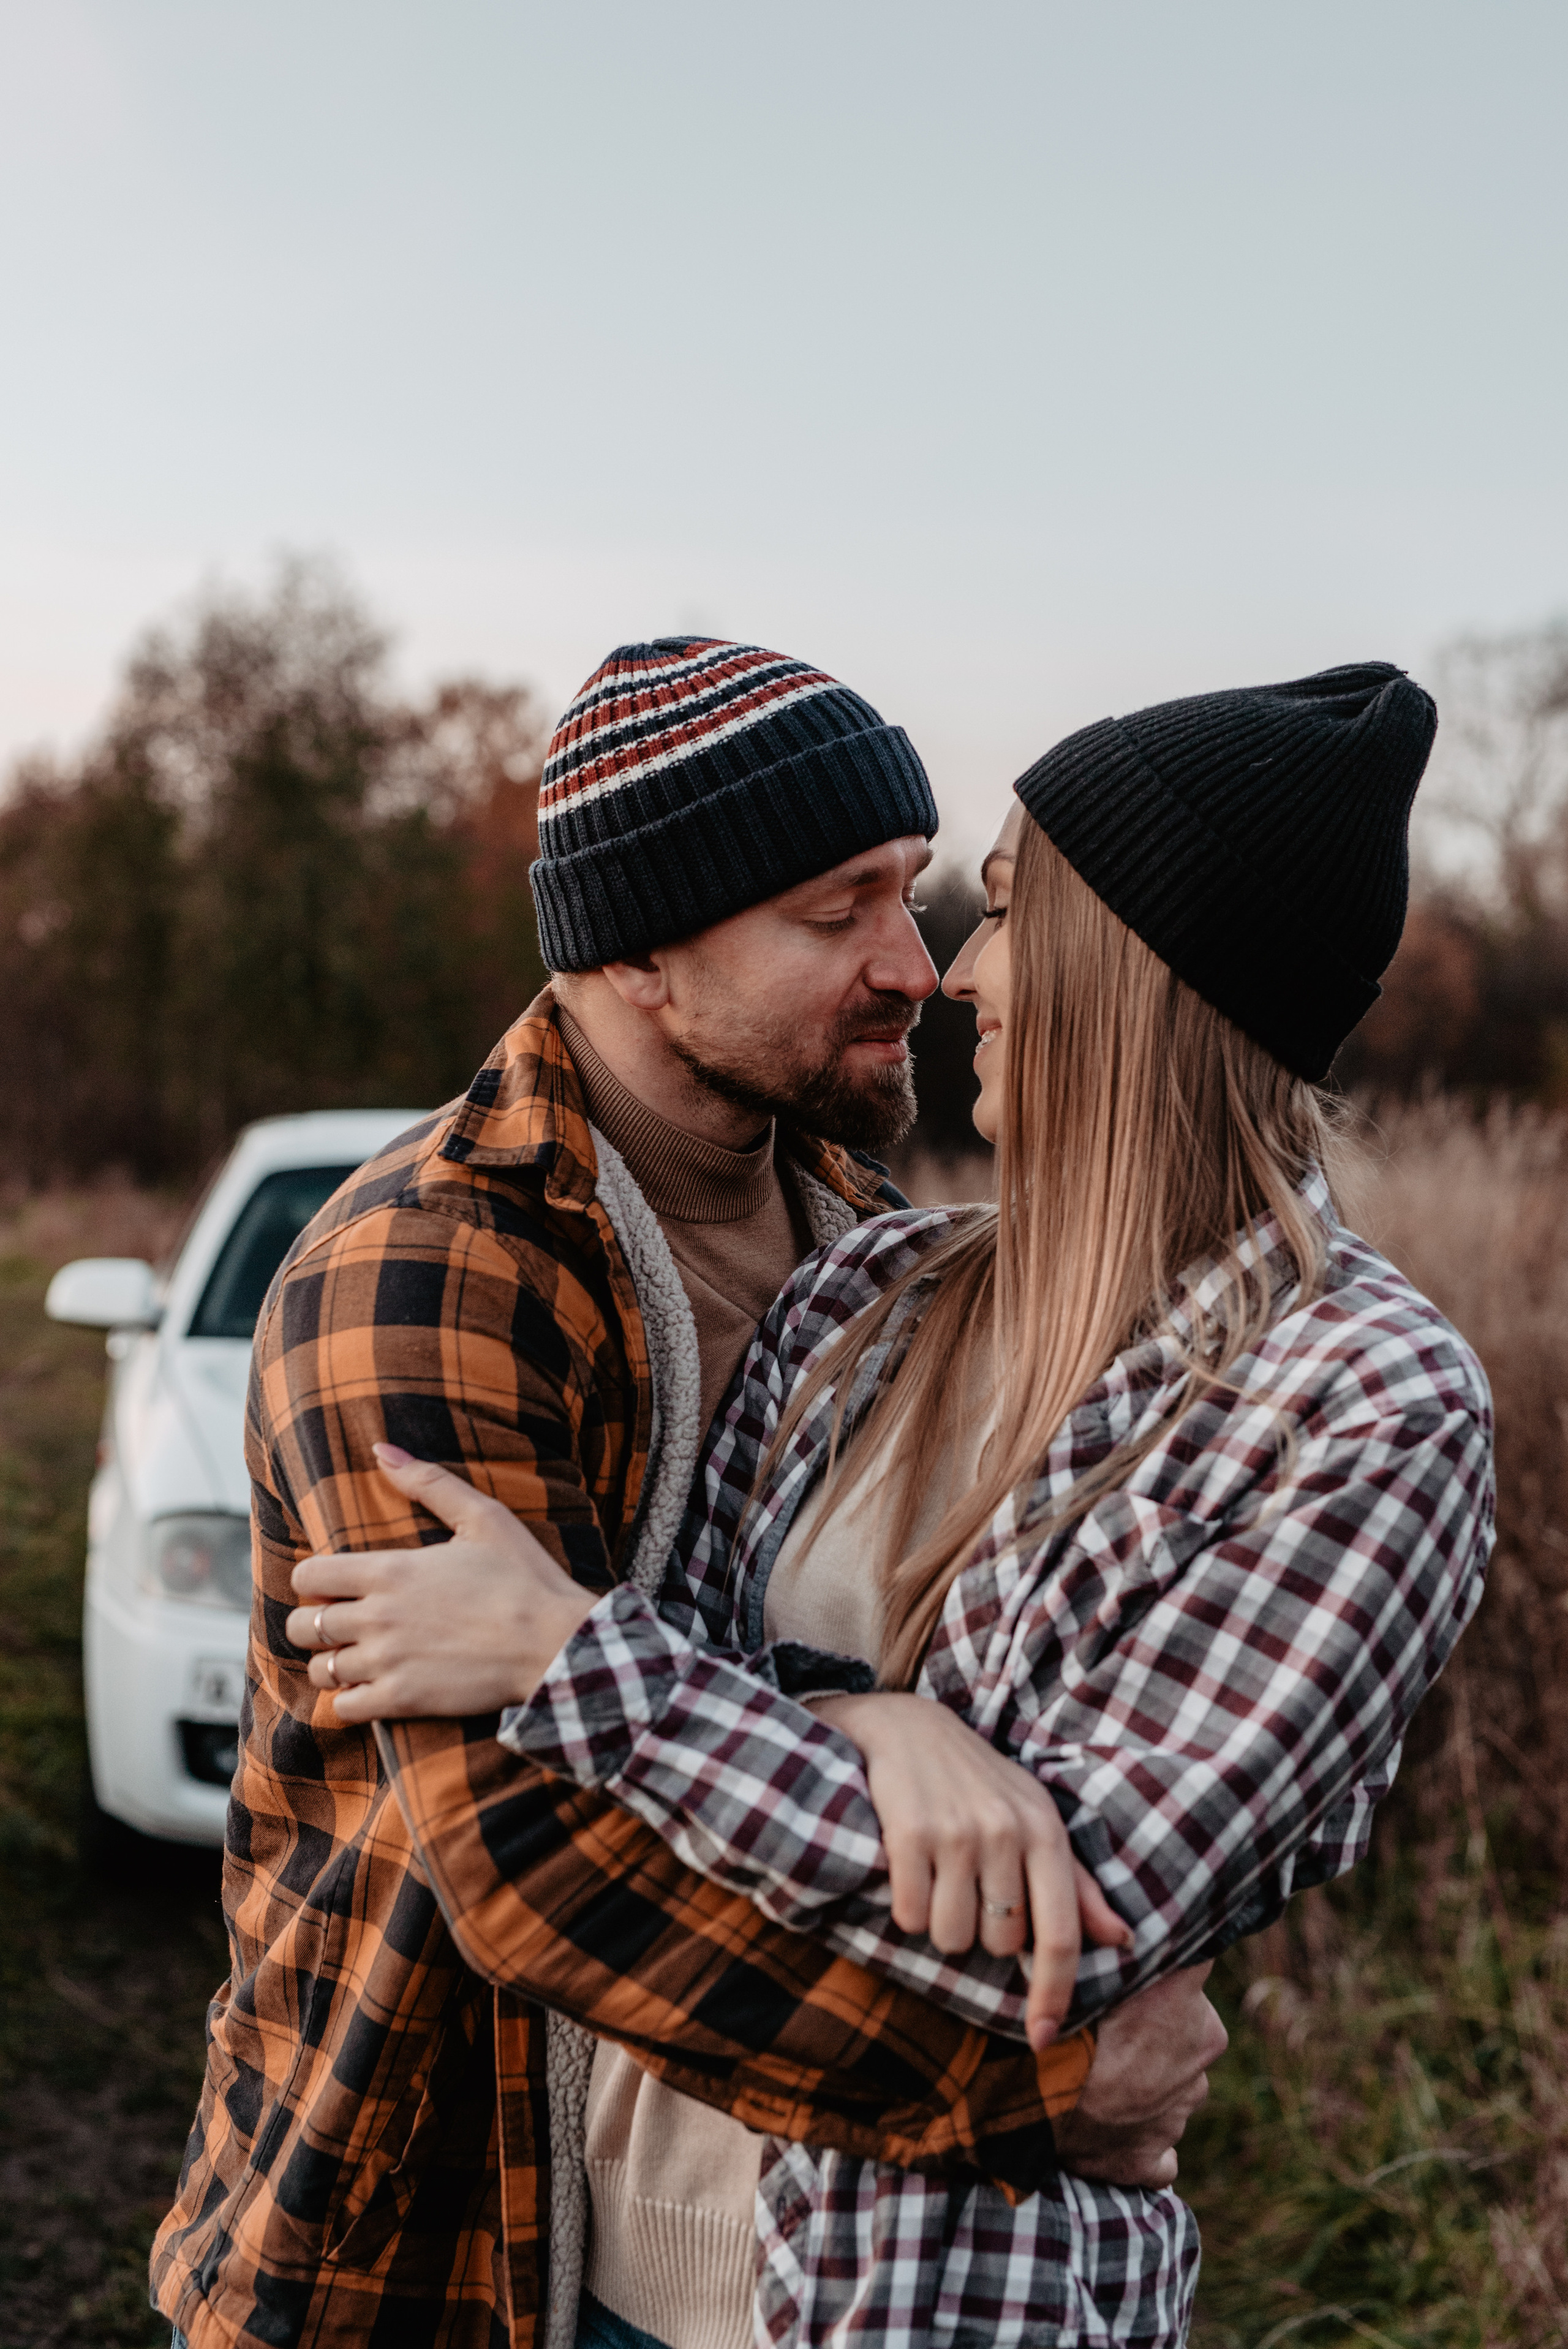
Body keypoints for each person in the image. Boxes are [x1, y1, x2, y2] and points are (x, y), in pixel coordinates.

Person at [282, 662, 1496, 2348]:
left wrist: (580, 1659)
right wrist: (876, 1738)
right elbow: (585, 1803)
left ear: (1148, 972)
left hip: (929, 2302)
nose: (948, 972)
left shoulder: (1359, 1401)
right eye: (865, 908)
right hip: (572, 2267)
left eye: (994, 911)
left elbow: (1064, 1918)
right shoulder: (864, 1296)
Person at [153, 638, 1223, 2349]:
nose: (919, 965)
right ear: (642, 946)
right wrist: (1027, 2083)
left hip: (766, 2261)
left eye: (912, 892)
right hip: (438, 2251)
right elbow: (530, 1845)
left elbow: (818, 1659)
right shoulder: (427, 1270)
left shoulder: (867, 1252)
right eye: (838, 912)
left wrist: (865, 1717)